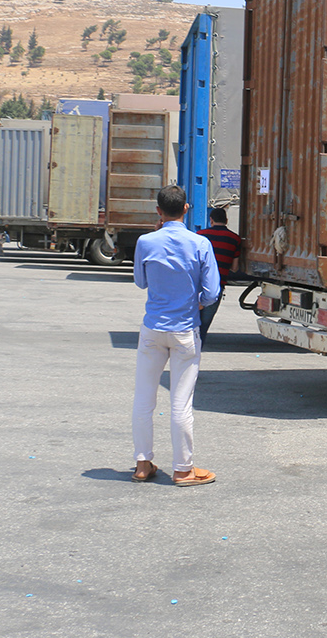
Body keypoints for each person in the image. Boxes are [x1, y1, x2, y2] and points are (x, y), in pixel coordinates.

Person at [130, 184, 220, 487]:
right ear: (185, 209)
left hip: (152, 329)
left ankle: (143, 463)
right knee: (180, 403)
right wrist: (196, 301)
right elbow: (212, 292)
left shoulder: (145, 242)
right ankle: (183, 469)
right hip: (184, 331)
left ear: (158, 211)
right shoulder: (200, 244)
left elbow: (140, 282)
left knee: (144, 398)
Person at [196, 207, 243, 340]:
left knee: (190, 325)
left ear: (211, 220)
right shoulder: (235, 239)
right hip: (216, 287)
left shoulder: (200, 235)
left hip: (197, 286)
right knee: (203, 328)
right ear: (226, 221)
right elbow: (234, 268)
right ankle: (197, 352)